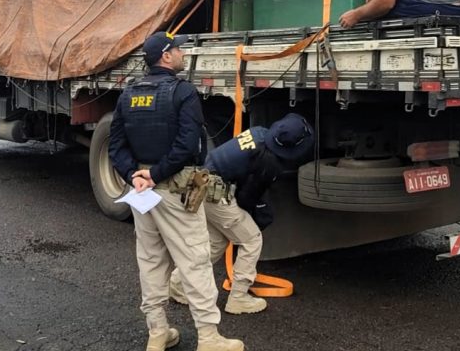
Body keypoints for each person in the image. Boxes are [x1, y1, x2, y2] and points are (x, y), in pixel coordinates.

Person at [109, 31, 244, 351]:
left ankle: (157, 332)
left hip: (141, 191)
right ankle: (209, 337)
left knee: (151, 260)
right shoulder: (182, 92)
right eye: (178, 50)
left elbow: (116, 145)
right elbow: (188, 144)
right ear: (166, 57)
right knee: (194, 259)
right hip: (175, 188)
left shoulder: (128, 93)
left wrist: (135, 175)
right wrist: (156, 175)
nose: (183, 54)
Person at [168, 113, 314, 315]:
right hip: (214, 192)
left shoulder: (259, 133)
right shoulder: (269, 161)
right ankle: (238, 298)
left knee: (216, 242)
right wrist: (261, 215)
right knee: (251, 239)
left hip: (201, 183)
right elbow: (247, 198)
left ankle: (178, 283)